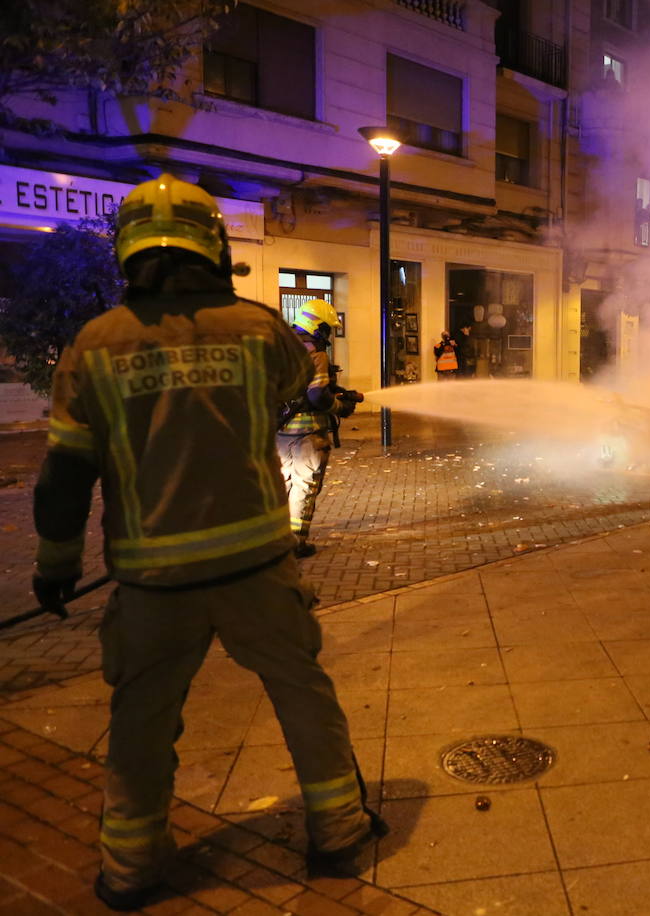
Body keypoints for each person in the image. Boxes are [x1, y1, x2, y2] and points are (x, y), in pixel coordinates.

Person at [30, 175, 386, 910]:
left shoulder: (94, 345)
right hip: (257, 568)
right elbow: (294, 393)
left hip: (154, 582)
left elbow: (65, 473)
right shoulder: (259, 331)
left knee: (140, 723)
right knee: (303, 696)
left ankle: (130, 869)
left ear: (126, 249)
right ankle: (340, 831)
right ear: (215, 247)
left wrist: (56, 565)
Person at [277, 298, 361, 558]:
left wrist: (340, 391)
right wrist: (341, 407)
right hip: (307, 432)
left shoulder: (282, 347)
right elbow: (316, 397)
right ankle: (295, 543)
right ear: (319, 326)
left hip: (279, 431)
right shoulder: (316, 352)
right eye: (327, 328)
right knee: (304, 486)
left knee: (284, 484)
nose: (328, 335)